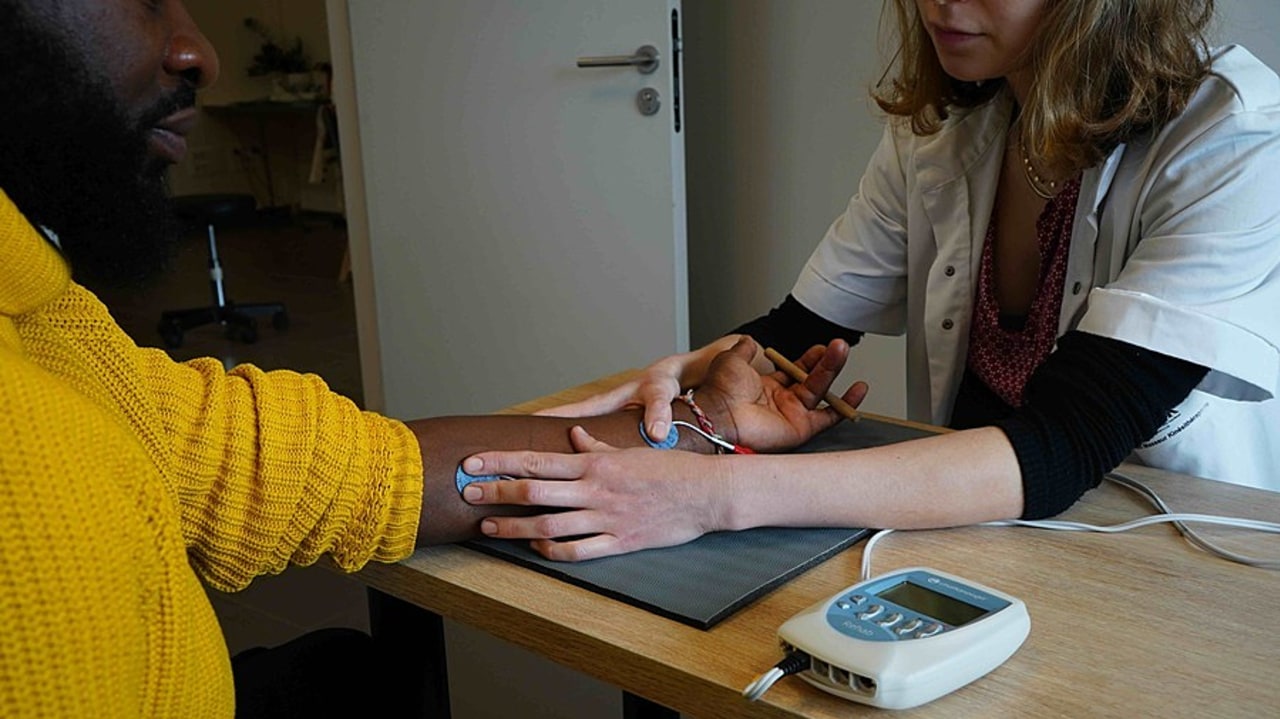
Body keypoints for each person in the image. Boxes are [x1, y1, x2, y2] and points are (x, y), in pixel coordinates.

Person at [0, 1, 852, 717]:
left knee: (347, 668)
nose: (199, 52)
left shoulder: (49, 323)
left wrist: (706, 423)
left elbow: (345, 467)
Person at [459, 0, 1280, 561]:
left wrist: (712, 494)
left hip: (1170, 555)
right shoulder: (950, 127)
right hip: (972, 532)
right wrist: (698, 376)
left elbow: (1063, 447)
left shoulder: (1233, 138)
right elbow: (800, 335)